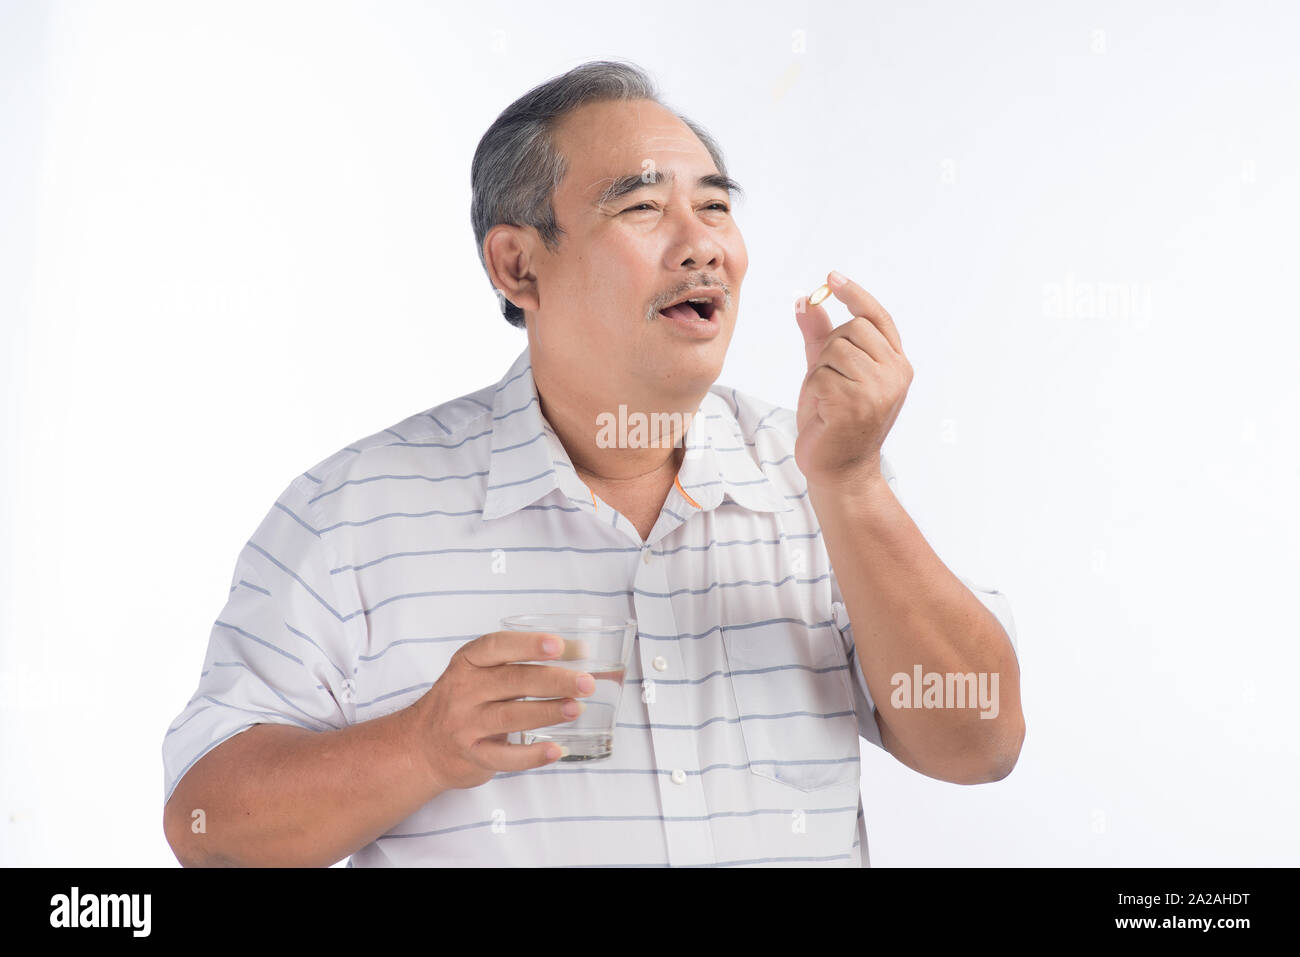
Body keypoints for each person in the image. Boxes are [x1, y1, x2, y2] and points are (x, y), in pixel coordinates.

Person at [161, 59, 1024, 867]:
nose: (703, 246)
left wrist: (855, 483)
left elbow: (983, 741)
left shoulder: (822, 475)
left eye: (716, 207)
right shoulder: (351, 510)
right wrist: (420, 744)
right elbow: (207, 823)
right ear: (518, 263)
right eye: (643, 207)